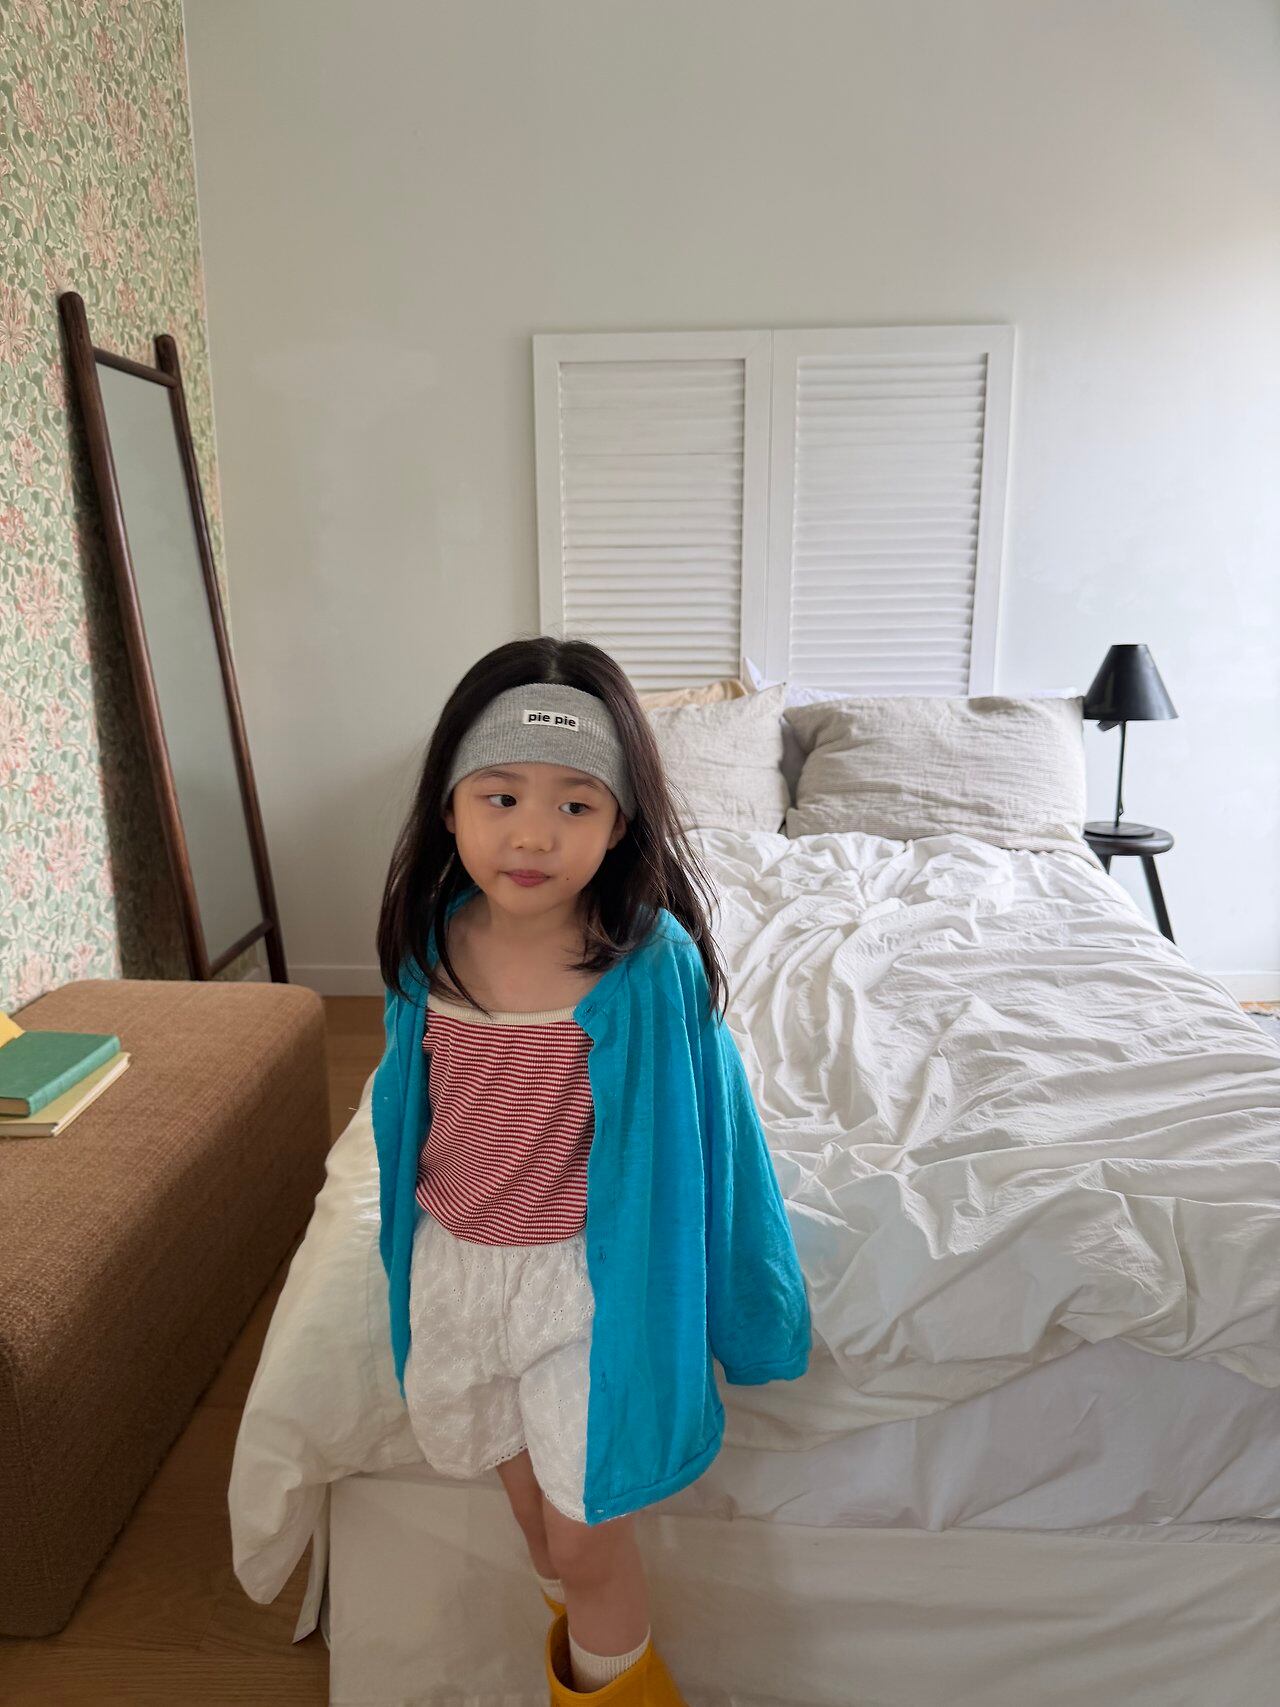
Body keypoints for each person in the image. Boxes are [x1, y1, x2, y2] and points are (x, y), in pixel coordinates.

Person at [371, 634, 811, 1704]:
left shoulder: (646, 964)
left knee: (586, 1542)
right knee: (535, 1524)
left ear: (619, 824)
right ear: (449, 807)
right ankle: (588, 1651)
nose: (533, 834)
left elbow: (710, 1139)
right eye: (501, 797)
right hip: (456, 1268)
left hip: (584, 1291)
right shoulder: (428, 947)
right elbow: (406, 1116)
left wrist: (746, 1306)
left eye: (575, 804)